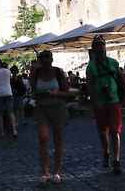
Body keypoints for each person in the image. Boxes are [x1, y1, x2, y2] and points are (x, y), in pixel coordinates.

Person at [86, 35, 125, 174]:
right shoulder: (90, 66)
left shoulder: (113, 63)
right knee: (103, 131)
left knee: (115, 131)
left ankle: (116, 160)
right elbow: (90, 86)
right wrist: (93, 103)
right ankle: (106, 152)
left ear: (105, 47)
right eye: (97, 45)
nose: (99, 48)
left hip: (114, 101)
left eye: (101, 45)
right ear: (93, 48)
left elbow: (121, 79)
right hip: (100, 103)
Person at [31, 51, 72, 184]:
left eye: (47, 59)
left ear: (51, 60)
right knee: (43, 138)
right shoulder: (36, 73)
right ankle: (45, 172)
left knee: (58, 139)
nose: (45, 62)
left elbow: (67, 92)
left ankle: (57, 172)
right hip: (41, 108)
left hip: (57, 107)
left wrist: (56, 93)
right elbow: (32, 92)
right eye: (42, 60)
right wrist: (39, 94)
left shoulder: (58, 72)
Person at [0, 59, 17, 137]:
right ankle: (14, 130)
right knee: (10, 112)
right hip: (9, 92)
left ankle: (2, 132)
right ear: (1, 63)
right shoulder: (8, 71)